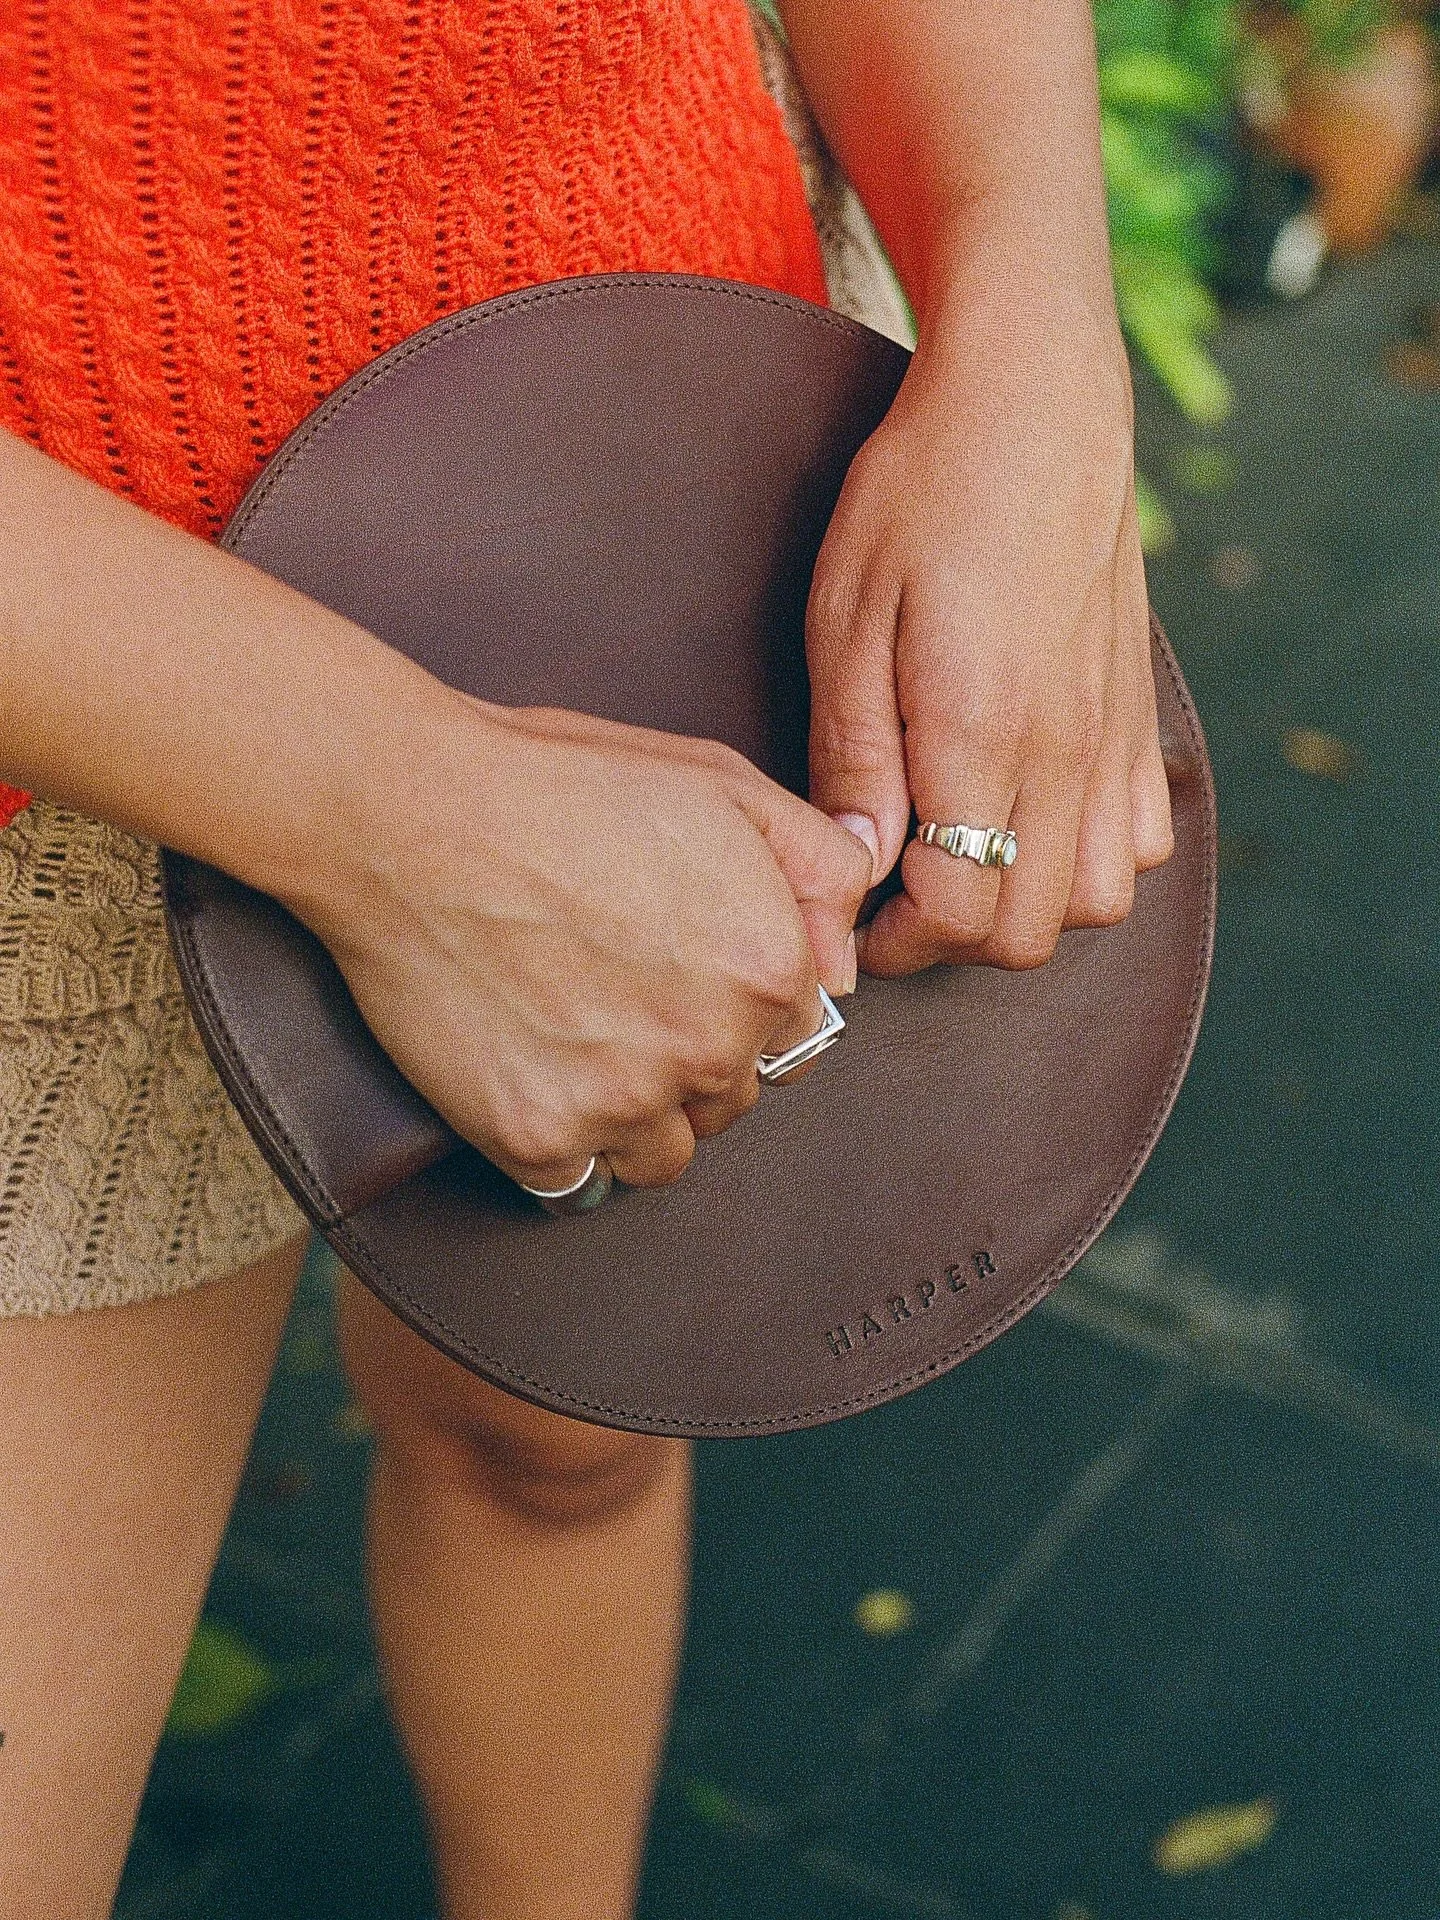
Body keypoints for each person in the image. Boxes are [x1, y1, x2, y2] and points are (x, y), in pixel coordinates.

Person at [0, 2, 1174, 1915]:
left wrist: (1037, 339)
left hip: (673, 458)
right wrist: (392, 811)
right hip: (57, 714)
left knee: (563, 1452)